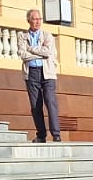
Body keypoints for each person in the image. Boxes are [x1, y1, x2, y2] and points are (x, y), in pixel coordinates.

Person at [16, 9, 61, 142]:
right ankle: (41, 135)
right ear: (29, 20)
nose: (37, 21)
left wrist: (31, 49)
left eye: (39, 19)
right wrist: (38, 53)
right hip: (31, 73)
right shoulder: (22, 36)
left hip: (47, 72)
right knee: (36, 105)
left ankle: (56, 134)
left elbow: (47, 52)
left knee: (50, 102)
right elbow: (22, 54)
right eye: (34, 19)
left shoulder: (47, 35)